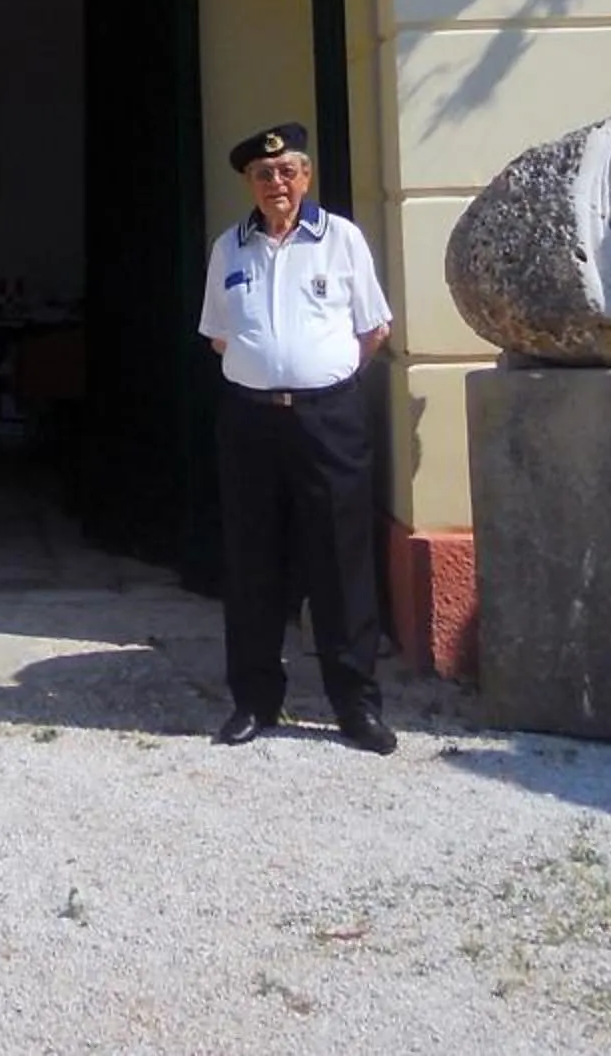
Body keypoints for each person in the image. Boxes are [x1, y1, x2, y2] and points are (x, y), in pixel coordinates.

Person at [198, 119, 397, 753]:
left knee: (340, 562)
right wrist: (269, 370)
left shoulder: (340, 240)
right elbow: (218, 334)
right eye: (263, 174)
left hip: (328, 420)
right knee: (253, 562)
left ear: (306, 177)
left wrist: (322, 379)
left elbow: (374, 330)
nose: (275, 183)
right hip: (251, 422)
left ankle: (356, 706)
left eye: (287, 172)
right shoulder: (230, 248)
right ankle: (255, 702)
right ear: (249, 184)